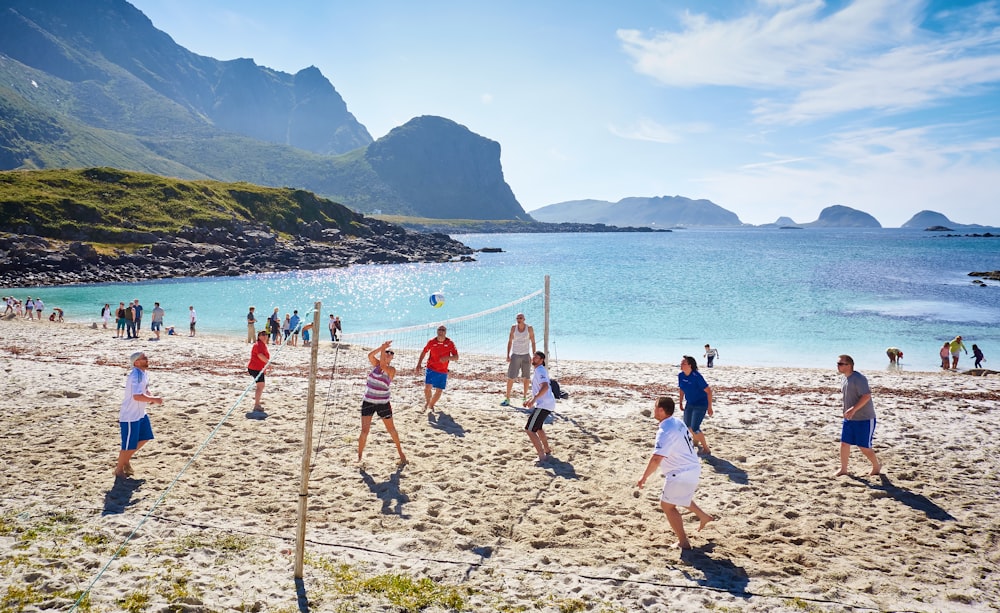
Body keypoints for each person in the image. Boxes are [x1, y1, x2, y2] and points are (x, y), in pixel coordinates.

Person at [636, 396, 715, 550]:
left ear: (660, 410)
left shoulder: (665, 431)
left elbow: (656, 458)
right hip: (692, 467)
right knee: (677, 496)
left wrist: (644, 477)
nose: (653, 409)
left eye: (655, 407)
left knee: (667, 506)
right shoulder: (677, 422)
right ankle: (703, 516)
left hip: (681, 472)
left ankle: (683, 542)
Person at [115, 351, 163, 479]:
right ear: (136, 362)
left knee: (146, 437)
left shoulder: (144, 373)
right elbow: (136, 396)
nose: (147, 359)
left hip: (140, 413)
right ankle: (119, 469)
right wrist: (154, 399)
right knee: (128, 444)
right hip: (130, 415)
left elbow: (144, 389)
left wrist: (150, 396)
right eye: (143, 358)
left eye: (146, 357)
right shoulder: (135, 375)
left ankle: (125, 460)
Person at [358, 341, 406, 465]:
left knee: (391, 430)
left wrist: (383, 350)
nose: (389, 354)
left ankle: (401, 454)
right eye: (387, 352)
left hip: (383, 403)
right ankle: (359, 457)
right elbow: (370, 355)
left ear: (393, 357)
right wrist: (381, 348)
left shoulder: (391, 369)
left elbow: (384, 366)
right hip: (368, 401)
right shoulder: (376, 364)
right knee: (364, 431)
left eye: (391, 353)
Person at [834, 355, 882, 477]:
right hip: (850, 418)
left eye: (840, 364)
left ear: (849, 365)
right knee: (844, 443)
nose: (838, 366)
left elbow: (866, 396)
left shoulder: (859, 379)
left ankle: (876, 466)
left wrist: (854, 409)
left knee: (863, 447)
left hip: (864, 418)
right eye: (838, 364)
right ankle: (843, 469)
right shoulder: (845, 379)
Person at [416, 325, 459, 411]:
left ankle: (431, 405)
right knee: (427, 388)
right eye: (439, 329)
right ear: (437, 331)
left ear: (445, 332)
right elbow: (424, 352)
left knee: (439, 391)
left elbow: (456, 357)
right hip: (431, 368)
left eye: (443, 330)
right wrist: (419, 364)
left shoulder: (450, 343)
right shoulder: (431, 342)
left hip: (442, 371)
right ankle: (428, 402)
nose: (441, 331)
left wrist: (447, 358)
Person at [524, 350, 556, 465]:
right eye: (534, 357)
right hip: (547, 403)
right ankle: (547, 450)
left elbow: (545, 387)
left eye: (536, 357)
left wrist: (534, 400)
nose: (534, 358)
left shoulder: (540, 370)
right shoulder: (539, 370)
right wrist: (531, 398)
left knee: (529, 429)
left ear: (542, 360)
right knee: (538, 428)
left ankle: (542, 456)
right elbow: (540, 388)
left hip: (544, 404)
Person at [678, 356, 713, 455]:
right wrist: (680, 402)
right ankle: (696, 441)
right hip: (690, 403)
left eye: (683, 363)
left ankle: (706, 449)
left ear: (690, 365)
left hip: (701, 404)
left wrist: (710, 407)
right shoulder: (681, 375)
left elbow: (709, 391)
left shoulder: (696, 376)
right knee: (687, 426)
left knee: (695, 428)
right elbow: (681, 389)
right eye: (681, 363)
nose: (681, 365)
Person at [502, 313, 536, 407]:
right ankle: (507, 398)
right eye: (517, 318)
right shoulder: (513, 328)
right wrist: (508, 355)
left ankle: (524, 397)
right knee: (511, 377)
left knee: (526, 377)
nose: (519, 319)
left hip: (525, 355)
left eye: (520, 318)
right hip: (515, 355)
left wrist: (534, 355)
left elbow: (533, 342)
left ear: (524, 319)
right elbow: (510, 341)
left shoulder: (529, 328)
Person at [247, 330, 270, 411]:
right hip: (255, 368)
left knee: (261, 386)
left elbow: (262, 357)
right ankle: (256, 405)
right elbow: (260, 355)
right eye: (263, 335)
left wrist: (265, 368)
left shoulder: (263, 345)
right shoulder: (258, 344)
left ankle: (257, 403)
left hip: (258, 368)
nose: (265, 336)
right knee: (260, 386)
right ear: (259, 336)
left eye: (266, 334)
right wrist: (268, 362)